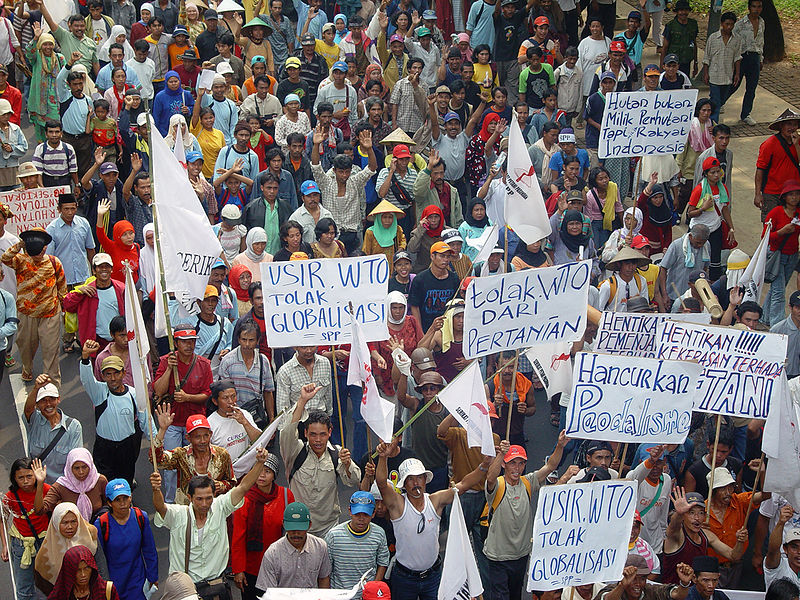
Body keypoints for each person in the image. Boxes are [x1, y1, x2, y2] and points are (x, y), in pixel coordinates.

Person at [150, 446, 271, 598]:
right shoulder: (178, 515)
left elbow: (243, 487)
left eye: (208, 498)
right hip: (186, 592)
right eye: (199, 499)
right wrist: (156, 490)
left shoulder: (220, 507)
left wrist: (259, 463)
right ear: (189, 498)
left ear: (214, 495)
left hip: (216, 588)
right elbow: (160, 507)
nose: (204, 503)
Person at [375, 441, 490, 600]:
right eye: (411, 479)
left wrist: (484, 465)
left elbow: (463, 485)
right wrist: (383, 457)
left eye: (419, 478)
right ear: (404, 484)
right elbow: (381, 483)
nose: (416, 483)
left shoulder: (435, 501)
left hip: (432, 577)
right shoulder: (398, 504)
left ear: (425, 480)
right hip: (404, 578)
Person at [484, 436, 568, 599]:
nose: (517, 468)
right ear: (504, 465)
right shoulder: (499, 485)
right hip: (498, 557)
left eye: (521, 463)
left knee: (516, 594)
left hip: (520, 555)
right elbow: (490, 478)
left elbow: (551, 466)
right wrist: (501, 453)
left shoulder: (528, 482)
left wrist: (559, 445)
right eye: (512, 463)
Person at [279, 383, 360, 536]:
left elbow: (354, 480)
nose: (318, 440)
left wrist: (348, 463)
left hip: (328, 528)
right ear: (305, 433)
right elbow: (287, 431)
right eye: (313, 434)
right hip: (299, 527)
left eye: (322, 434)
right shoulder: (295, 451)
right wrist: (302, 401)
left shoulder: (337, 453)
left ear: (330, 432)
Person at [2, 228, 66, 384]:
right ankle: (27, 367)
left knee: (51, 350)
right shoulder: (21, 260)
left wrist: (64, 310)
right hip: (26, 313)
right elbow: (5, 258)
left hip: (50, 313)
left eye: (42, 244)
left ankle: (52, 381)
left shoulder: (54, 262)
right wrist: (21, 244)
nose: (39, 248)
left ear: (45, 246)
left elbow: (62, 286)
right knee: (25, 346)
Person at [79, 343, 147, 485]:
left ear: (123, 373)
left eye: (116, 373)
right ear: (102, 376)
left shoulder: (134, 393)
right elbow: (87, 380)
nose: (113, 378)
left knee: (125, 481)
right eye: (108, 374)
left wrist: (156, 441)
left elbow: (146, 420)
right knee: (104, 484)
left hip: (127, 447)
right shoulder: (98, 392)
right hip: (104, 448)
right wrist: (85, 358)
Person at [231, 453, 294, 600]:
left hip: (279, 565)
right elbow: (238, 537)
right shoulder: (245, 499)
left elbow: (293, 531)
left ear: (274, 475)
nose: (262, 475)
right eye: (259, 470)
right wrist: (238, 570)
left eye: (267, 471)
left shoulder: (286, 495)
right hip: (252, 567)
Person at [662, 488, 747, 583]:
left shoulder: (707, 535)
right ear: (684, 515)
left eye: (701, 513)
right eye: (691, 512)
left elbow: (733, 556)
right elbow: (672, 528)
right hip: (673, 593)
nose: (697, 518)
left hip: (694, 593)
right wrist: (679, 513)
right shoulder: (677, 535)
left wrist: (740, 541)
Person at [93, 479, 158, 600]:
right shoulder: (102, 524)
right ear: (109, 502)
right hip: (114, 584)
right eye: (117, 500)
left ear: (131, 497)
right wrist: (104, 585)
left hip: (137, 582)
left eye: (125, 498)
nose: (122, 503)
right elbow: (99, 560)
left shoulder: (140, 517)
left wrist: (153, 577)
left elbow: (150, 550)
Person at [706, 465, 767, 586]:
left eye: (730, 488)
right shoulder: (704, 512)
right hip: (712, 569)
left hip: (737, 566)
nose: (728, 493)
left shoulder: (739, 501)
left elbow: (766, 496)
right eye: (723, 489)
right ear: (713, 490)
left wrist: (762, 473)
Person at [255, 501, 331, 591]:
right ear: (283, 524)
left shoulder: (320, 547)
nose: (296, 533)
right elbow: (268, 591)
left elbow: (323, 578)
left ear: (309, 525)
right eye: (291, 529)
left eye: (300, 529)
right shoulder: (272, 553)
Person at [3, 458, 50, 600]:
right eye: (20, 478)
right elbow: (2, 519)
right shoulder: (10, 497)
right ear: (14, 479)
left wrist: (40, 483)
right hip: (22, 545)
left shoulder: (47, 489)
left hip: (45, 541)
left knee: (52, 580)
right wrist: (5, 545)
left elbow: (43, 510)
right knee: (24, 587)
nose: (25, 481)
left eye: (29, 476)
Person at [325, 491, 390, 589]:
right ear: (350, 511)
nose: (361, 519)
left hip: (366, 593)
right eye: (357, 514)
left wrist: (373, 588)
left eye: (366, 515)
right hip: (340, 593)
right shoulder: (333, 536)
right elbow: (325, 569)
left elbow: (383, 562)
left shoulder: (379, 533)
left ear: (373, 514)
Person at [218, 320, 276, 426]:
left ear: (258, 341)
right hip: (233, 417)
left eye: (251, 340)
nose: (247, 344)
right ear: (239, 339)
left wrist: (271, 418)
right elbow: (223, 394)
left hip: (256, 417)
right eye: (244, 340)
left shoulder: (263, 361)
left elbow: (268, 392)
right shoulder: (227, 361)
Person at [33, 503, 97, 595]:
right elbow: (43, 586)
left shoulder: (90, 536)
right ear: (56, 523)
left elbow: (100, 568)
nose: (70, 527)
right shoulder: (46, 553)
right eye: (65, 523)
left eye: (73, 521)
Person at [37, 448, 107, 522]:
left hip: (98, 529)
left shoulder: (99, 481)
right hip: (71, 531)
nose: (81, 472)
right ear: (69, 468)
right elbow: (40, 510)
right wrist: (40, 483)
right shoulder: (61, 486)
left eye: (84, 467)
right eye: (76, 468)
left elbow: (109, 505)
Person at [755, 109, 800, 222]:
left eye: (795, 124)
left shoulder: (798, 142)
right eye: (789, 124)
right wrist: (757, 194)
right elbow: (760, 170)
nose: (792, 127)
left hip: (793, 193)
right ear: (781, 126)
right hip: (772, 194)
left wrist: (797, 146)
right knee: (771, 227)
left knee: (793, 227)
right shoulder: (769, 144)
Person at [408, 241, 460, 331]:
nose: (446, 259)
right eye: (442, 256)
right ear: (432, 256)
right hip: (426, 328)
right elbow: (415, 307)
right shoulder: (420, 279)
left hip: (448, 328)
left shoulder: (454, 278)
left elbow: (457, 304)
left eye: (448, 256)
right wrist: (420, 332)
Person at [596, 554, 695, 600]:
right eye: (634, 578)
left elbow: (677, 595)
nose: (638, 583)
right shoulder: (612, 589)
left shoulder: (651, 591)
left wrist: (684, 583)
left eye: (642, 578)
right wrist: (622, 585)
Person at [702, 12, 741, 124]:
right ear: (722, 23)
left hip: (728, 76)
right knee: (716, 102)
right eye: (727, 24)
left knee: (721, 100)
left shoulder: (737, 39)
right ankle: (714, 125)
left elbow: (737, 57)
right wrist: (706, 73)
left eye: (731, 24)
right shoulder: (713, 38)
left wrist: (737, 74)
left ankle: (708, 114)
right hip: (714, 76)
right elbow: (706, 57)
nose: (729, 27)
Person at [657, 224, 711, 305]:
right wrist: (664, 295)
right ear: (690, 236)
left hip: (695, 297)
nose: (700, 246)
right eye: (698, 243)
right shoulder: (676, 246)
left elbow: (705, 268)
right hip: (675, 295)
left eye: (702, 243)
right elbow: (663, 268)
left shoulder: (707, 245)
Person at [732, 0, 763, 126]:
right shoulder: (740, 24)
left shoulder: (762, 23)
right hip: (742, 57)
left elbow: (761, 41)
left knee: (751, 88)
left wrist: (761, 58)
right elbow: (733, 42)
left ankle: (746, 114)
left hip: (755, 56)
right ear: (749, 8)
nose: (756, 9)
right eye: (754, 7)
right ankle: (720, 102)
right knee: (734, 84)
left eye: (759, 7)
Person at [764, 504, 800, 589]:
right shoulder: (778, 566)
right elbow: (773, 550)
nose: (799, 552)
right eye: (794, 547)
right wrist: (781, 523)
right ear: (785, 549)